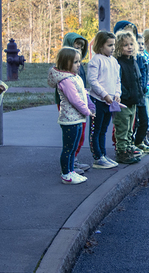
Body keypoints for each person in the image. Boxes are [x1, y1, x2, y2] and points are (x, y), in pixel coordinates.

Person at [48, 46, 93, 184]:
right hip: (69, 119)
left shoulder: (74, 77)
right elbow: (75, 99)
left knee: (73, 147)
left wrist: (89, 103)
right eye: (75, 62)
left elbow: (83, 93)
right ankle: (66, 174)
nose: (78, 64)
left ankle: (71, 170)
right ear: (65, 62)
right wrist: (87, 111)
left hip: (77, 118)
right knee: (68, 148)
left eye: (79, 61)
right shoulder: (66, 80)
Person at [87, 31, 120, 170]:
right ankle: (97, 157)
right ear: (100, 46)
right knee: (96, 129)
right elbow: (92, 80)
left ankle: (103, 155)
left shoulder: (114, 61)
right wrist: (104, 94)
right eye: (109, 45)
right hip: (98, 101)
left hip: (110, 101)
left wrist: (117, 94)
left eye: (113, 45)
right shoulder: (96, 60)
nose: (112, 48)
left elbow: (118, 80)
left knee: (104, 129)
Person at [113, 31, 144, 165]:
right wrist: (124, 95)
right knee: (123, 128)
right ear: (119, 47)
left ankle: (128, 148)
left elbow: (137, 79)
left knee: (130, 128)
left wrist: (139, 94)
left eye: (131, 44)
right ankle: (122, 152)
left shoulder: (133, 61)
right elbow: (118, 82)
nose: (129, 47)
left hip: (134, 101)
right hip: (124, 101)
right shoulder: (118, 63)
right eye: (125, 45)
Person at [133, 33, 149, 153]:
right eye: (138, 43)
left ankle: (140, 141)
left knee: (144, 120)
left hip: (142, 93)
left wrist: (145, 87)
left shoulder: (142, 58)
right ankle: (133, 143)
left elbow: (145, 74)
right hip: (133, 95)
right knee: (135, 122)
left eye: (141, 43)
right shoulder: (133, 59)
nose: (140, 46)